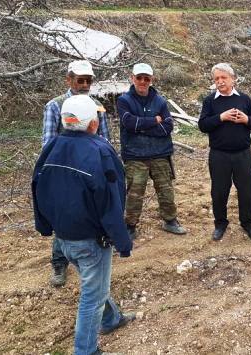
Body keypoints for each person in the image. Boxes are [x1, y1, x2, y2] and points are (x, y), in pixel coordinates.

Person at [32, 95, 135, 355]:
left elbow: (37, 187)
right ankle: (85, 350)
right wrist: (121, 240)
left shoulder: (51, 146)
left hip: (63, 237)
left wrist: (45, 226)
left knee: (94, 283)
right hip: (90, 239)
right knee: (93, 296)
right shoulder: (100, 150)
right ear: (92, 123)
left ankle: (111, 319)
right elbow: (112, 199)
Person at [42, 60, 111, 288]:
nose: (84, 84)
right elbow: (48, 144)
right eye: (80, 80)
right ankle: (59, 263)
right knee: (63, 219)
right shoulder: (55, 106)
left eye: (88, 81)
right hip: (64, 174)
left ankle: (91, 257)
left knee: (91, 215)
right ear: (69, 80)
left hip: (89, 172)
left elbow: (104, 139)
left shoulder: (97, 106)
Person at [116, 63, 186, 240]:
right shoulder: (124, 100)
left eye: (146, 78)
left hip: (160, 154)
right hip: (135, 156)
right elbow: (129, 123)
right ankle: (130, 226)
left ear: (151, 80)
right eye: (139, 77)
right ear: (132, 78)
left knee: (166, 191)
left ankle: (170, 221)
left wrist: (142, 126)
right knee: (134, 194)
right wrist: (154, 121)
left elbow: (167, 127)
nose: (142, 81)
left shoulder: (160, 101)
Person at [198, 63, 251, 242]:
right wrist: (221, 117)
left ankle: (248, 224)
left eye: (223, 77)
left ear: (233, 79)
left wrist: (246, 119)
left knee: (248, 191)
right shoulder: (210, 101)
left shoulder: (244, 99)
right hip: (219, 155)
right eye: (216, 78)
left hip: (243, 154)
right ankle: (220, 224)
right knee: (219, 192)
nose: (220, 81)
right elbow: (203, 125)